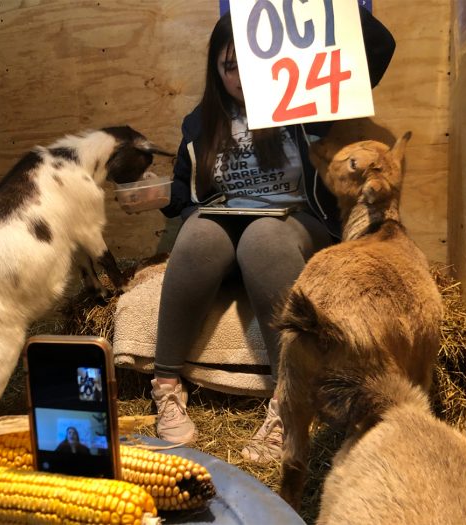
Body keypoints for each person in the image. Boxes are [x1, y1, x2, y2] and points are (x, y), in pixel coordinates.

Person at [150, 7, 395, 462]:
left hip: (294, 224)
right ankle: (166, 386)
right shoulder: (199, 123)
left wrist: (326, 13)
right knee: (199, 231)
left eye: (249, 64)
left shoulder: (301, 102)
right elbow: (186, 195)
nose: (241, 78)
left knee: (263, 236)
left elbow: (379, 49)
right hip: (224, 225)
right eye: (229, 67)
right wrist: (166, 200)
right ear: (215, 69)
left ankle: (289, 400)